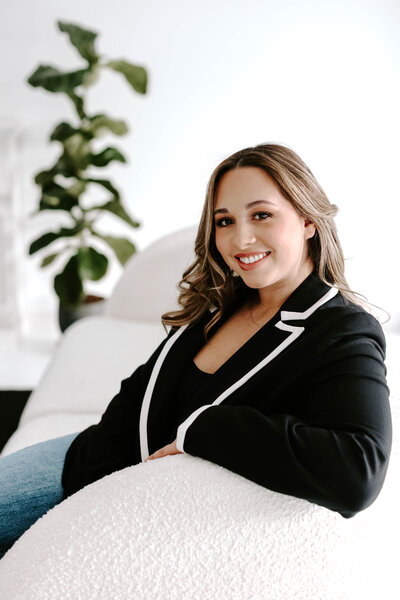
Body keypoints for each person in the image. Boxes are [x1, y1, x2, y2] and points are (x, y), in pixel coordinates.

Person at [0, 143, 392, 560]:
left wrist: (204, 428)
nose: (240, 239)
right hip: (84, 460)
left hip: (121, 495)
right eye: (225, 221)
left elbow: (358, 472)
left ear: (308, 220)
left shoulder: (341, 330)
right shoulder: (224, 301)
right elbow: (141, 389)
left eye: (262, 214)